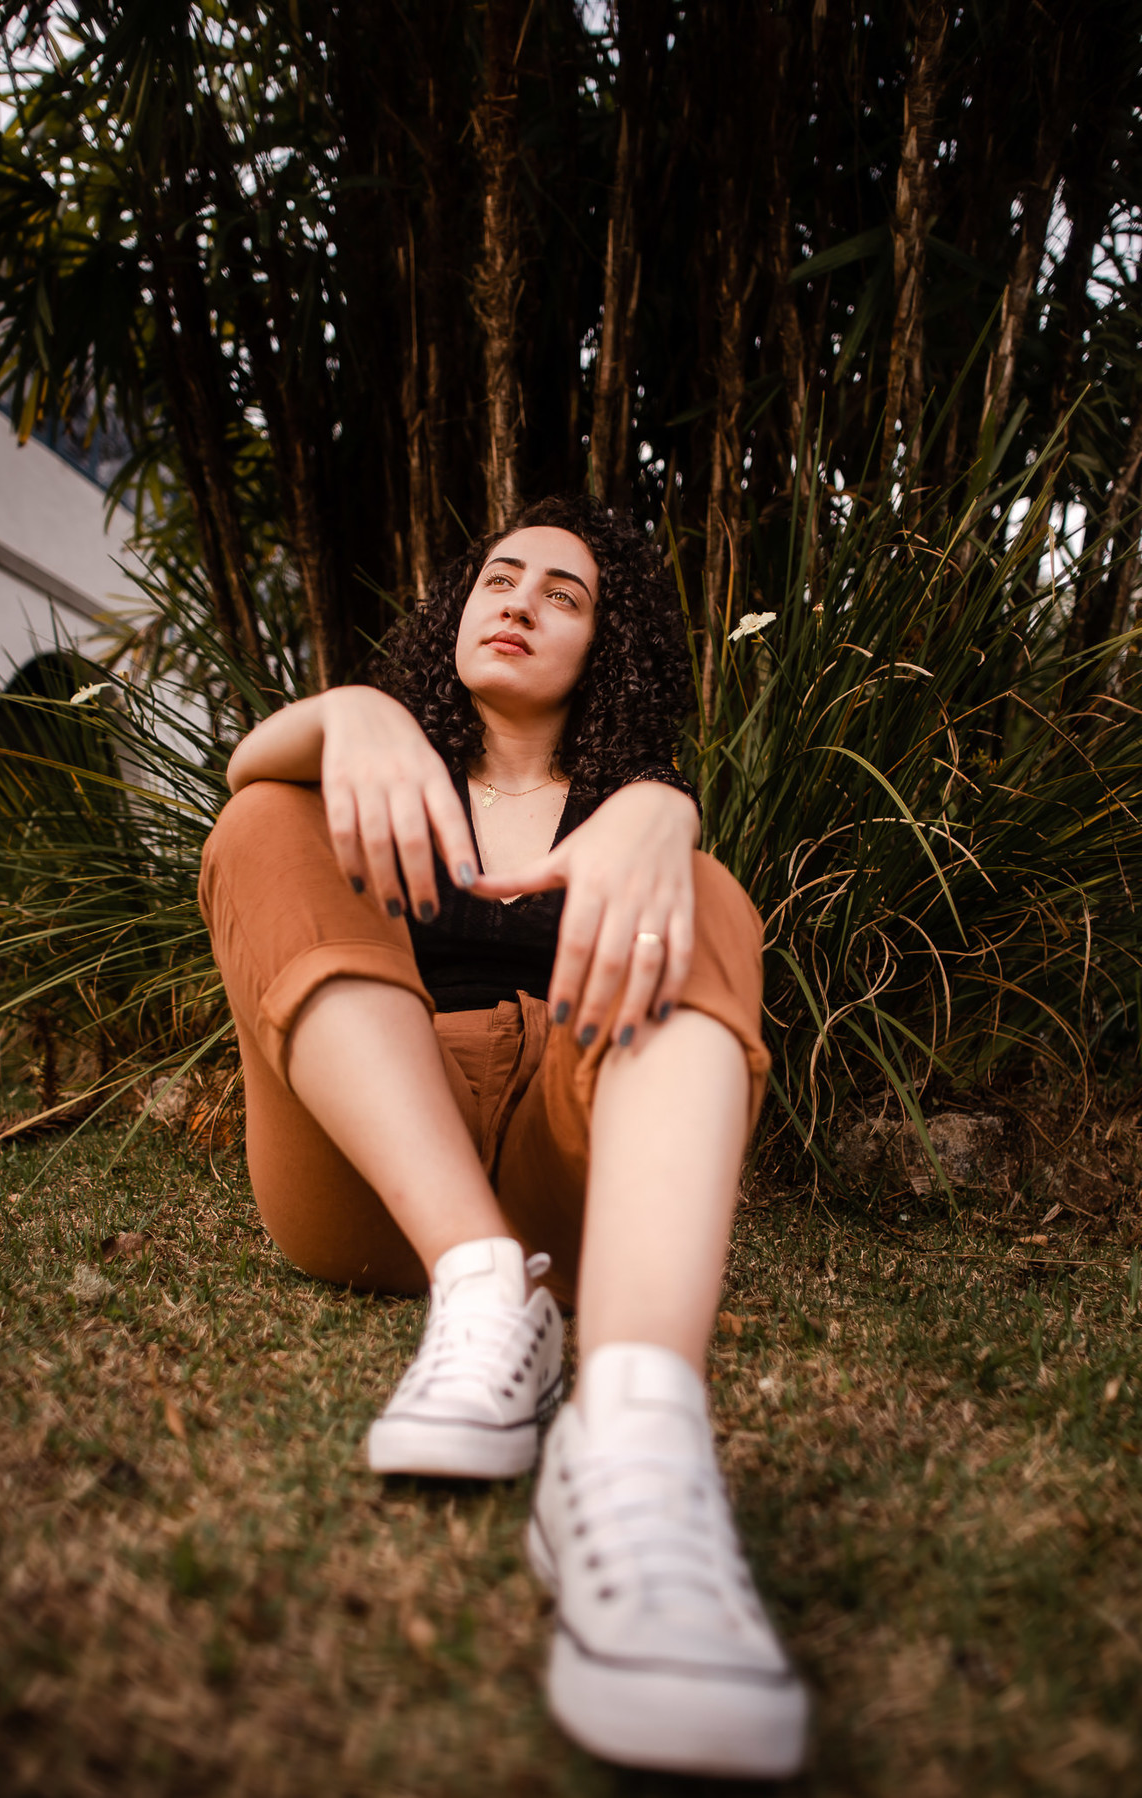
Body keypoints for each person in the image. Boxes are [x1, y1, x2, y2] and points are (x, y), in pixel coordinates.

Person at [198, 493, 809, 1779]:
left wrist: (664, 808)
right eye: (499, 578)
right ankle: (483, 1287)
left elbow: (682, 919)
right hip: (376, 1178)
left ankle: (635, 1433)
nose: (521, 602)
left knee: (707, 900)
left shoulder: (627, 811)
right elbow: (256, 766)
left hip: (573, 1171)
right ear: (459, 611)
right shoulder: (371, 767)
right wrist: (347, 711)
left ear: (606, 649)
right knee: (259, 816)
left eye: (565, 594)